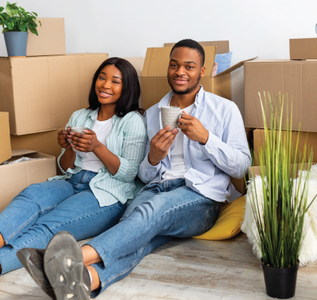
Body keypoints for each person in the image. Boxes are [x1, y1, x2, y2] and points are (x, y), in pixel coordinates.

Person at [18, 39, 251, 300]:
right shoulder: (151, 115)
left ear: (203, 71)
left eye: (189, 66)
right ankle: (87, 281)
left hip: (201, 198)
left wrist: (206, 137)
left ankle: (68, 259)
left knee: (151, 212)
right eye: (174, 65)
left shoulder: (224, 110)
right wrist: (153, 157)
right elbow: (143, 176)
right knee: (138, 233)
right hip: (157, 189)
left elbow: (241, 167)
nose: (180, 72)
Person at [0, 57, 146, 283]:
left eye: (115, 81)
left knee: (51, 223)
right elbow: (66, 166)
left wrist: (97, 146)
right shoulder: (80, 116)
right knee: (31, 196)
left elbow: (128, 174)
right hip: (72, 180)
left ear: (127, 87)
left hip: (106, 192)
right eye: (101, 77)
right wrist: (66, 147)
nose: (105, 85)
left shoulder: (132, 120)